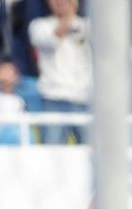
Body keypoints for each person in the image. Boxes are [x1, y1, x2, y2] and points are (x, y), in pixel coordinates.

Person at [28, 0, 91, 145]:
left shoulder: (87, 25)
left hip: (84, 99)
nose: (61, 1)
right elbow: (52, 41)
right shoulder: (39, 26)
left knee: (92, 152)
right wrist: (70, 15)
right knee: (51, 153)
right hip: (53, 99)